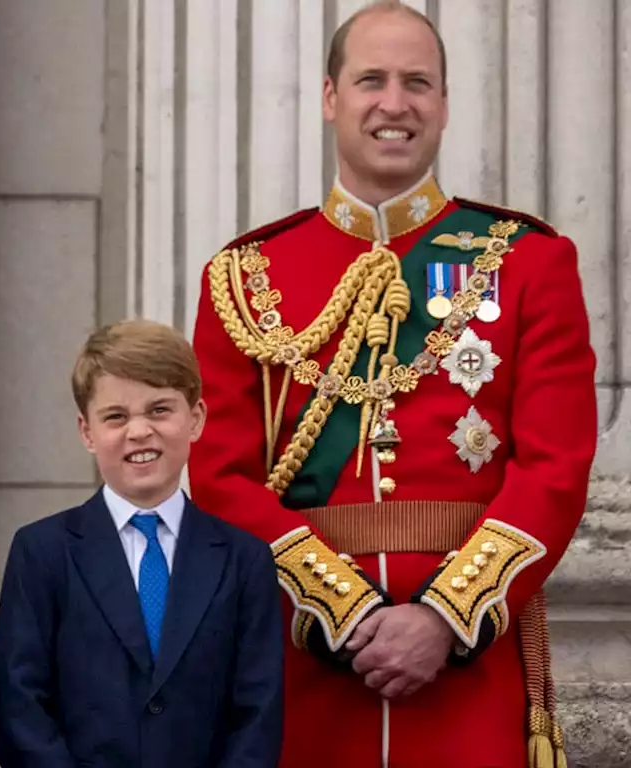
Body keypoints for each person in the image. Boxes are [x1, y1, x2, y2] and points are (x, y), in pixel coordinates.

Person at [187, 2, 597, 766]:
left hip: (467, 674)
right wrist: (342, 613)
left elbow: (554, 468)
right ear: (330, 98)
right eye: (371, 79)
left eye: (418, 82)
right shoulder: (245, 277)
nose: (395, 102)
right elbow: (219, 476)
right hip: (305, 672)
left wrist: (445, 618)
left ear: (443, 105)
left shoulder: (529, 262)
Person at [0, 319, 284, 767]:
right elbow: (17, 703)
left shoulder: (244, 560)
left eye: (159, 410)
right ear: (87, 432)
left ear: (196, 418)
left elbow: (258, 712)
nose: (139, 431)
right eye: (116, 417)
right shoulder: (42, 551)